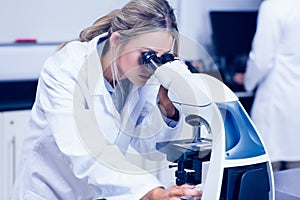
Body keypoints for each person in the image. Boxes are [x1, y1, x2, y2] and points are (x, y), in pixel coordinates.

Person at [12, 0, 202, 199]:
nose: (150, 66)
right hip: (50, 192)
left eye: (161, 57)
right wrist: (150, 192)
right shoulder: (66, 68)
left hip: (95, 193)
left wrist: (168, 110)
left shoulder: (140, 77)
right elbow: (86, 149)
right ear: (117, 41)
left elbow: (145, 141)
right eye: (147, 55)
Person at [244, 0, 300, 171]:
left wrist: (247, 83)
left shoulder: (274, 6)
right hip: (294, 109)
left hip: (277, 105)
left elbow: (261, 61)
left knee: (271, 184)